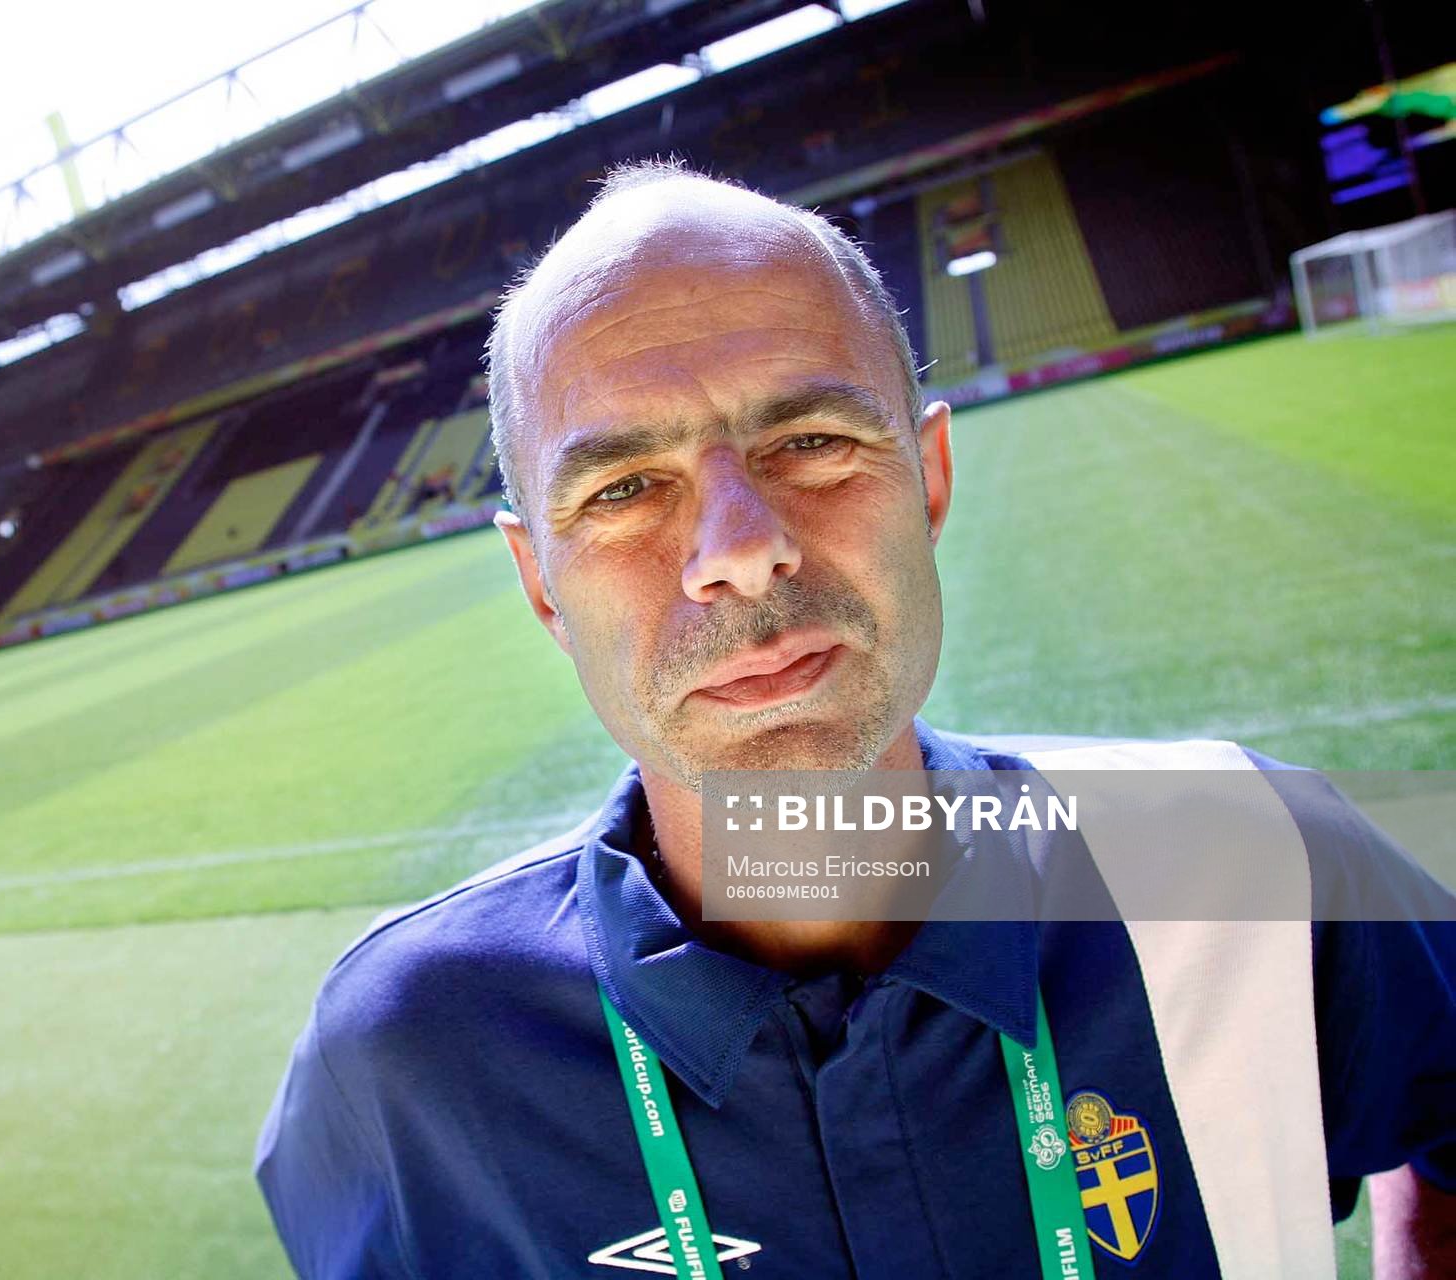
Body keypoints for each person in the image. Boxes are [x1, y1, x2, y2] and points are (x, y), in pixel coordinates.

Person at [254, 161, 1455, 1278]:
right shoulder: (406, 1056)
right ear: (538, 583)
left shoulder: (1258, 861)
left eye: (812, 441)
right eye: (622, 488)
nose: (739, 548)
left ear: (926, 478)